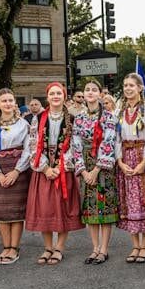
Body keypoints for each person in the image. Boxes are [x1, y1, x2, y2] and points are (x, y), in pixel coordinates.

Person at [26, 82, 84, 265]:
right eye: (52, 93)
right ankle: (47, 247)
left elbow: (76, 146)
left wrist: (60, 167)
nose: (56, 96)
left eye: (59, 93)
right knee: (45, 208)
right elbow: (32, 144)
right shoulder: (38, 118)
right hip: (43, 169)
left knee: (62, 208)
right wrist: (45, 168)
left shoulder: (73, 119)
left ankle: (59, 247)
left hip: (63, 169)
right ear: (47, 97)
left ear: (64, 96)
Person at [73, 80, 118, 265]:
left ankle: (104, 250)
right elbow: (75, 144)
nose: (90, 92)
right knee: (90, 208)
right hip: (85, 163)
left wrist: (97, 169)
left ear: (100, 94)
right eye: (87, 90)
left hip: (103, 166)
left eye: (94, 90)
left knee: (104, 208)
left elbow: (109, 143)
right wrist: (83, 171)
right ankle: (94, 248)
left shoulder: (109, 116)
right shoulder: (79, 117)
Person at [0, 89, 31, 265]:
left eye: (10, 100)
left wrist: (17, 171)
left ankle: (15, 248)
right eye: (3, 101)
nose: (7, 103)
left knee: (16, 211)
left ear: (15, 102)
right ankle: (5, 247)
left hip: (17, 167)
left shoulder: (23, 125)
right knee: (2, 211)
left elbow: (28, 150)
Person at [116, 73, 145, 264]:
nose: (128, 88)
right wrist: (119, 161)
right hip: (126, 157)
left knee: (144, 201)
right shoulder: (119, 111)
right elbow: (115, 138)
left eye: (131, 85)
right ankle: (134, 245)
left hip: (143, 157)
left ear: (140, 88)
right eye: (125, 85)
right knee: (129, 202)